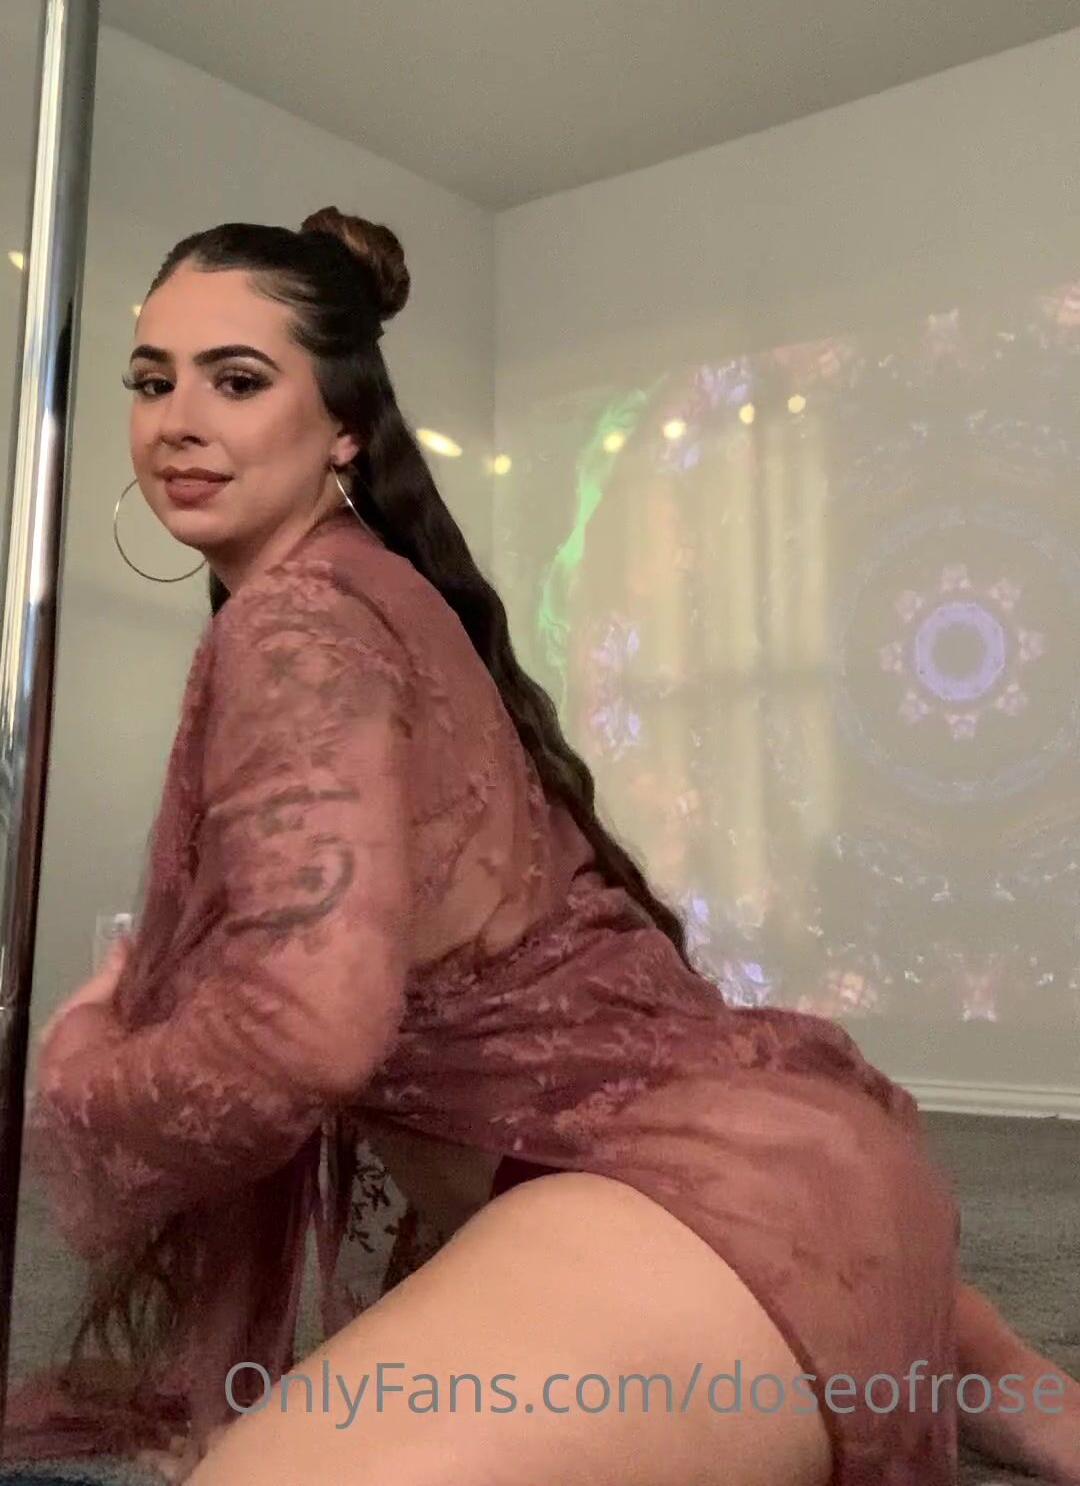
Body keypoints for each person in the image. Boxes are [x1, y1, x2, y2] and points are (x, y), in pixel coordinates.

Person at [6, 211, 1078, 1486]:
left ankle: (920, 1352)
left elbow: (304, 1028)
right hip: (775, 1170)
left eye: (236, 381)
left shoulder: (300, 624)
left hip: (698, 1215)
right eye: (152, 382)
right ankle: (958, 1355)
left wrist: (86, 1072)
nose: (177, 421)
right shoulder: (376, 588)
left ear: (342, 425)